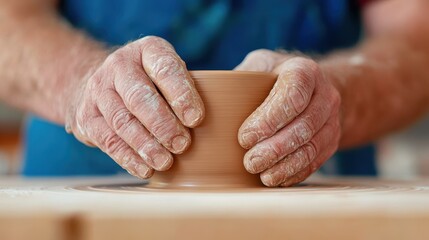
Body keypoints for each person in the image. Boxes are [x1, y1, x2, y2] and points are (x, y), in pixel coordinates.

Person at [0, 0, 428, 187]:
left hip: (309, 201)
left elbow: (417, 44)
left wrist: (342, 93)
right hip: (82, 205)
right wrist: (79, 82)